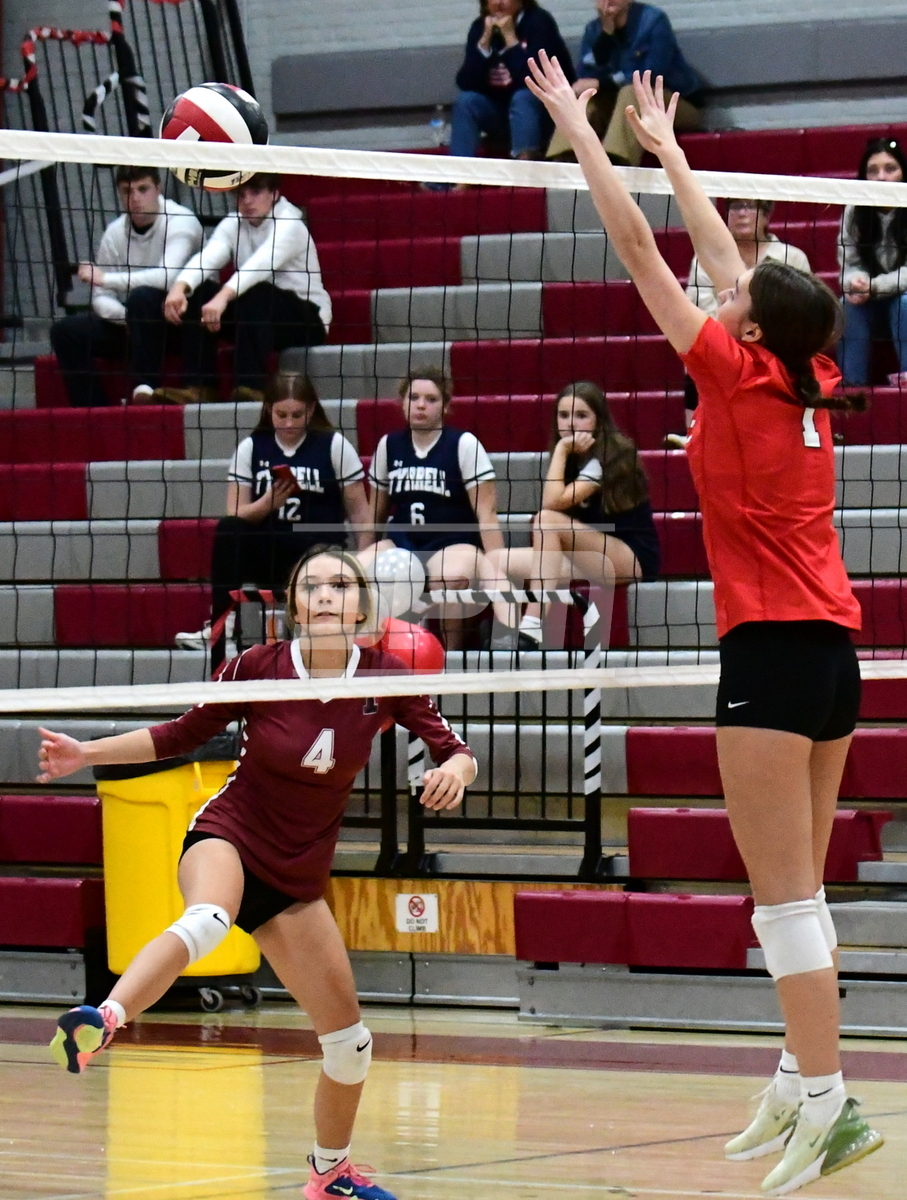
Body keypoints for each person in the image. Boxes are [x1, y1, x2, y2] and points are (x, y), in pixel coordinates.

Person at [526, 55, 882, 1194]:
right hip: (831, 660)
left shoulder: (730, 372)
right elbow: (728, 261)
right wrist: (673, 150)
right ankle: (795, 1077)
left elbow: (642, 251)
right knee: (801, 894)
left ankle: (827, 1102)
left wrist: (586, 136)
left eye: (733, 296)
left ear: (750, 328)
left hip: (770, 659)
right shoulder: (806, 371)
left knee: (781, 902)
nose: (717, 289)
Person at [41, 544, 475, 1200]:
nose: (325, 595)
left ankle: (329, 1173)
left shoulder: (385, 677)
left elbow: (457, 751)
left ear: (362, 606)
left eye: (340, 585)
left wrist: (454, 773)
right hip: (230, 834)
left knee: (351, 1044)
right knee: (209, 919)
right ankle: (102, 1019)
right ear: (295, 604)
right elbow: (180, 734)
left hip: (297, 874)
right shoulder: (257, 667)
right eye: (312, 586)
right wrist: (86, 753)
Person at [175, 373, 370, 669]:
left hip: (317, 552)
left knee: (321, 554)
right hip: (270, 552)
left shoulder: (333, 445)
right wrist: (267, 503)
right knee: (228, 530)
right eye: (281, 415)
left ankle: (318, 634)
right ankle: (222, 629)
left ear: (311, 410)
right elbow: (235, 511)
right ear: (268, 410)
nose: (289, 423)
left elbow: (360, 514)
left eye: (297, 415)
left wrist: (364, 566)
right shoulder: (252, 447)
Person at [489, 381, 660, 650]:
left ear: (598, 420)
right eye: (563, 415)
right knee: (494, 560)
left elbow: (551, 504)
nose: (570, 423)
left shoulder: (615, 454)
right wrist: (562, 453)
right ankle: (508, 630)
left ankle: (531, 625)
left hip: (629, 557)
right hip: (587, 556)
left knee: (546, 520)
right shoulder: (571, 459)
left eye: (581, 415)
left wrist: (560, 450)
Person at [359, 367, 518, 650]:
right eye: (414, 398)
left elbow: (486, 513)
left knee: (449, 579)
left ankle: (451, 652)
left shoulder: (464, 444)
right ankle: (378, 650)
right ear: (402, 403)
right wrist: (364, 554)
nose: (421, 405)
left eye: (431, 399)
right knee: (355, 572)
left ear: (445, 406)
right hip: (403, 541)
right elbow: (375, 515)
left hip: (454, 542)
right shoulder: (389, 445)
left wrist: (496, 568)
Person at [158, 174, 330, 405]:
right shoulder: (233, 223)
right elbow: (209, 257)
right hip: (257, 319)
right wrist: (180, 287)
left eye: (255, 193)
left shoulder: (291, 224)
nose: (247, 201)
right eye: (240, 195)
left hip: (305, 320)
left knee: (257, 291)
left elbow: (259, 265)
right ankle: (200, 387)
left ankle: (251, 385)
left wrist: (223, 297)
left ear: (274, 194)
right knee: (200, 291)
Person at [50, 166, 203, 406]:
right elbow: (100, 297)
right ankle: (95, 413)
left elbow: (166, 277)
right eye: (127, 191)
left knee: (142, 297)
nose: (135, 199)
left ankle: (145, 388)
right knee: (65, 332)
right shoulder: (115, 233)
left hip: (180, 324)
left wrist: (106, 279)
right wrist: (128, 318)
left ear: (158, 189)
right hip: (135, 323)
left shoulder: (181, 221)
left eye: (143, 189)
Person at [668, 199, 812, 444]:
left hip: (775, 348)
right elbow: (701, 311)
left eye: (750, 206)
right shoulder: (705, 259)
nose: (741, 213)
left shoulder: (792, 257)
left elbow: (801, 314)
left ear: (766, 216)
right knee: (698, 351)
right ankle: (699, 435)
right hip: (723, 346)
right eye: (735, 207)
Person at [546, 0, 704, 166]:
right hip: (620, 106)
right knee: (583, 98)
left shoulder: (653, 21)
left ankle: (617, 165)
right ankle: (563, 164)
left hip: (673, 104)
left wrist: (602, 83)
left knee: (633, 91)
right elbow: (585, 78)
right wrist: (606, 36)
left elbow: (652, 73)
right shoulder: (593, 29)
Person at [447, 0, 574, 166]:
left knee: (523, 97)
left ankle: (524, 168)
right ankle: (459, 171)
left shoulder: (539, 22)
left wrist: (511, 40)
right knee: (466, 101)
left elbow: (535, 80)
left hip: (542, 114)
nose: (499, 2)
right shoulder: (480, 27)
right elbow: (466, 82)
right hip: (501, 114)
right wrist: (483, 44)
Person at [838, 136, 907, 386]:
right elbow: (849, 263)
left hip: (901, 300)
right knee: (847, 304)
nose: (881, 177)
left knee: (905, 304)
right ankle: (851, 389)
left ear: (903, 173)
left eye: (890, 169)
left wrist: (874, 286)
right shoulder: (855, 210)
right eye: (873, 171)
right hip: (871, 301)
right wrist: (855, 282)